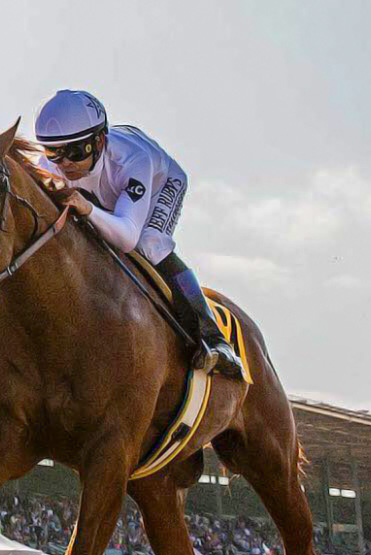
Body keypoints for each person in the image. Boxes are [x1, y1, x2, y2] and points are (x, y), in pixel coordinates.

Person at [34, 89, 243, 379]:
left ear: (99, 141)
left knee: (149, 244)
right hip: (109, 186)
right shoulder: (48, 167)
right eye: (53, 151)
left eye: (75, 151)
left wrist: (88, 210)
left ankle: (214, 337)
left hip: (160, 181)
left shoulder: (133, 160)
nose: (65, 163)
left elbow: (127, 237)